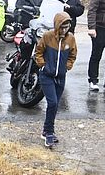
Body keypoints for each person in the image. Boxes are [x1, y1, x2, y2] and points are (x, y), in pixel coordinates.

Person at [33, 12, 77, 148]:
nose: (65, 29)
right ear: (57, 25)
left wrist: (67, 67)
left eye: (67, 26)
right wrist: (43, 66)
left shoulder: (70, 39)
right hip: (46, 76)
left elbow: (72, 55)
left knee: (55, 104)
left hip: (61, 77)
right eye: (62, 26)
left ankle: (46, 130)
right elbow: (38, 52)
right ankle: (50, 133)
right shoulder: (47, 36)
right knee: (52, 102)